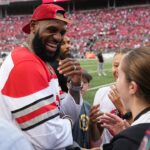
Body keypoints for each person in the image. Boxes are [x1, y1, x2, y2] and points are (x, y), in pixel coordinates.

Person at [0, 3, 82, 150]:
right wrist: (69, 121)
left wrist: (75, 85)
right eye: (51, 29)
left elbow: (63, 109)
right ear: (33, 27)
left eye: (62, 32)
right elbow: (50, 139)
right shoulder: (25, 64)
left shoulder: (42, 63)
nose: (58, 37)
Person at [99, 47, 150, 150]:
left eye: (120, 76)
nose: (116, 80)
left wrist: (127, 138)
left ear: (132, 87)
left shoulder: (130, 140)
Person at [91, 48, 131, 146]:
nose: (118, 70)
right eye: (116, 65)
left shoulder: (141, 96)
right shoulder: (102, 92)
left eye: (123, 66)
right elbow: (96, 136)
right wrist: (92, 123)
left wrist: (122, 110)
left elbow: (143, 136)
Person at [71, 70, 92, 149]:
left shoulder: (88, 107)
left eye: (85, 82)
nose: (81, 85)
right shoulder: (63, 108)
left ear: (88, 86)